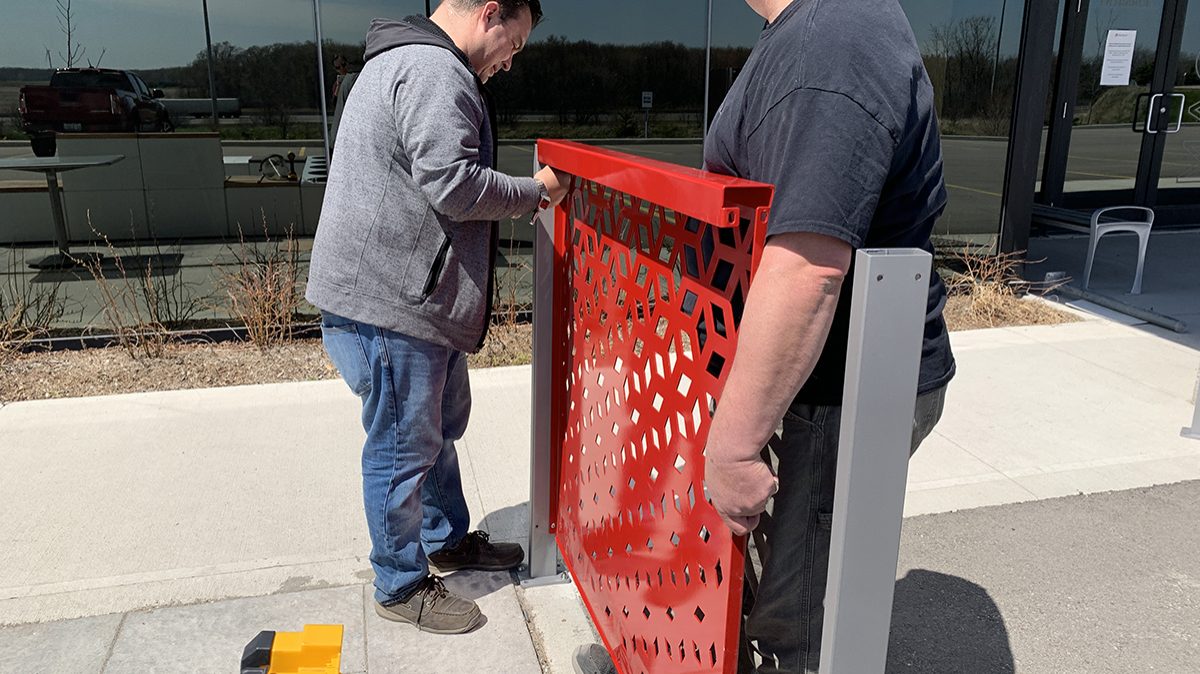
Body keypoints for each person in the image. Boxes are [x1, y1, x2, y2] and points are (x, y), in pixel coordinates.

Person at [700, 0, 956, 671]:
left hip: (837, 390)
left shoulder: (833, 39)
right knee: (786, 588)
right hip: (815, 383)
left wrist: (731, 449)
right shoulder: (811, 30)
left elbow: (809, 267)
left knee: (801, 621)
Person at [305, 0, 567, 635]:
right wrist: (536, 193)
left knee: (437, 428)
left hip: (406, 300)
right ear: (490, 12)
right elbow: (452, 183)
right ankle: (398, 583)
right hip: (394, 303)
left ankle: (447, 539)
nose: (511, 60)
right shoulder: (434, 70)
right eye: (517, 42)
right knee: (402, 445)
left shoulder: (408, 58)